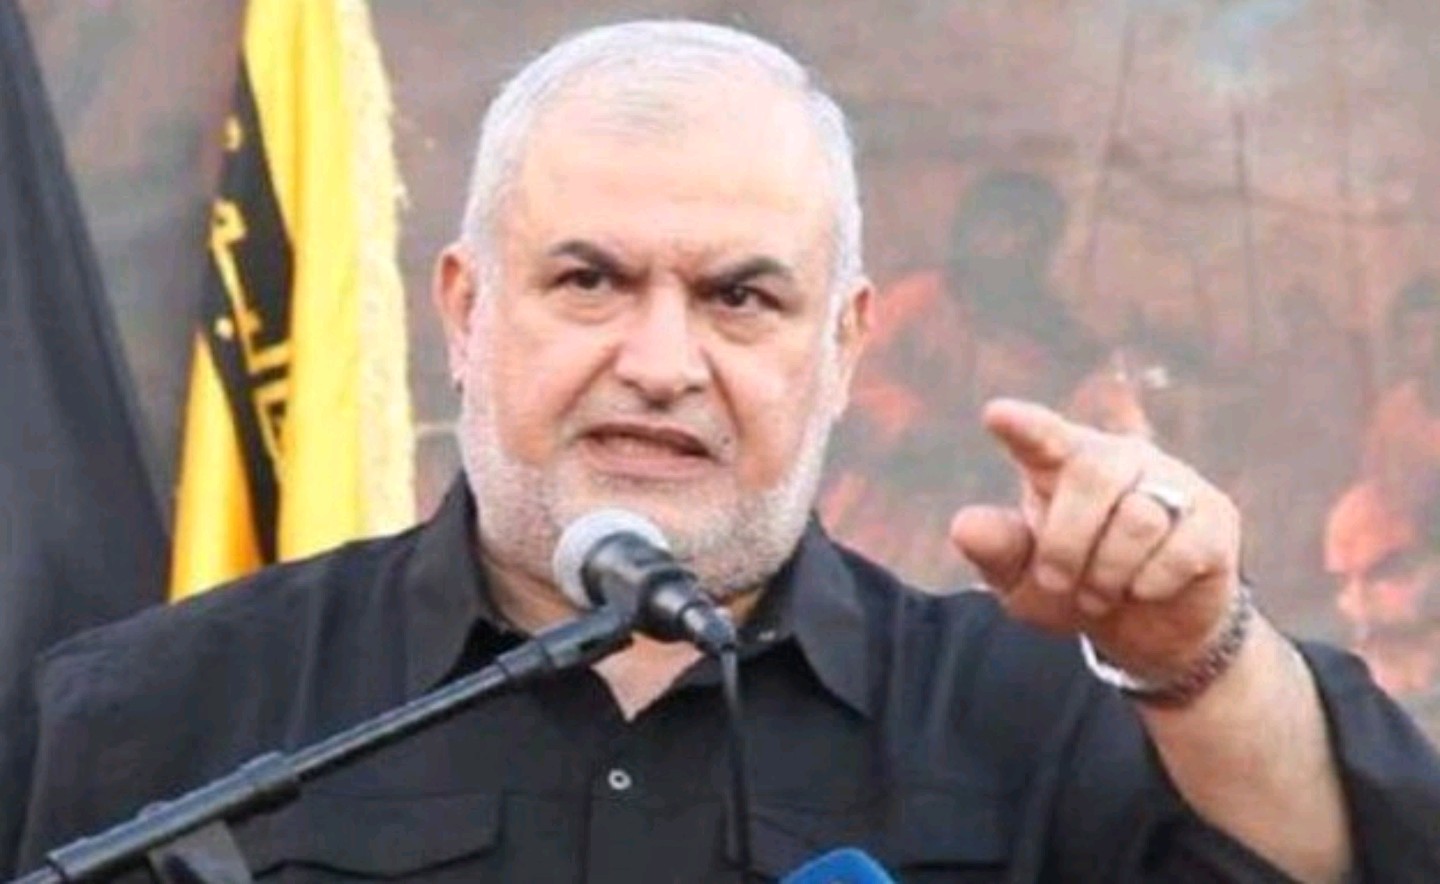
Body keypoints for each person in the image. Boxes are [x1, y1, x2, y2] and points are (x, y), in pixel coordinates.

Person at [3, 20, 1438, 883]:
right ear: (464, 309)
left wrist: (1195, 655)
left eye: (741, 297)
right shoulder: (165, 708)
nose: (662, 360)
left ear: (847, 343)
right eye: (589, 280)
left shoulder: (1033, 719)